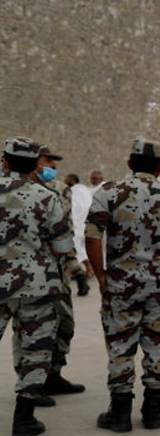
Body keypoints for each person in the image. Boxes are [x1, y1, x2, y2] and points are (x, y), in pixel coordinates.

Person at [86, 139, 160, 432]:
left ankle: (120, 412)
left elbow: (92, 236)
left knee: (120, 345)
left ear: (129, 163)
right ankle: (153, 411)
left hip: (121, 284)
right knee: (156, 341)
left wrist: (100, 275)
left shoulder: (110, 192)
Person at [0, 137, 73, 436]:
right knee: (36, 349)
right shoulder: (48, 198)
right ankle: (23, 420)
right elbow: (61, 247)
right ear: (34, 166)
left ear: (4, 161)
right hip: (37, 285)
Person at [30, 146, 89, 402]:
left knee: (64, 326)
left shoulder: (59, 190)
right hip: (25, 275)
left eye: (54, 162)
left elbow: (65, 230)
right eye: (48, 161)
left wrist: (76, 268)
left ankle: (53, 375)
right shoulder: (10, 188)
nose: (52, 166)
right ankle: (32, 385)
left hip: (57, 271)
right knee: (32, 331)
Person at [64, 172, 94, 293]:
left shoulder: (74, 191)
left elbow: (74, 207)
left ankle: (87, 270)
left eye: (66, 179)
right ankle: (81, 272)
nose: (65, 181)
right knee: (80, 248)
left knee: (76, 249)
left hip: (76, 223)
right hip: (85, 222)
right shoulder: (85, 190)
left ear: (71, 180)